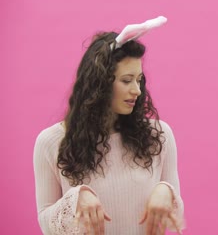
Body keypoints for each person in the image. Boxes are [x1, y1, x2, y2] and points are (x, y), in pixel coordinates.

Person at [33, 17, 185, 235]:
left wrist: (165, 190)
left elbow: (175, 212)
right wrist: (75, 198)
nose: (137, 90)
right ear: (100, 83)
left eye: (139, 80)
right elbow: (45, 222)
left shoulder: (159, 135)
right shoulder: (51, 142)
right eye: (126, 80)